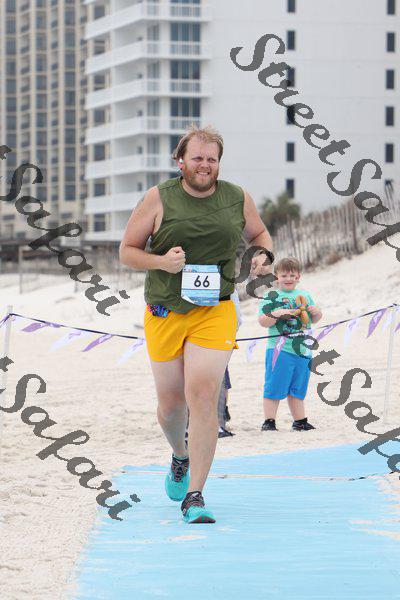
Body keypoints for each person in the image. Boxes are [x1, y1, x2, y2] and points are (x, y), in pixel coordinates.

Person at [119, 126, 273, 523]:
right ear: (180, 161)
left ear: (219, 163)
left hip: (215, 308)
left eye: (212, 159)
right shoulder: (158, 198)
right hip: (165, 311)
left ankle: (195, 495)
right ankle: (179, 455)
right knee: (172, 407)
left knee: (203, 395)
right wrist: (161, 262)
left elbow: (260, 234)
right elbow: (127, 251)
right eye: (198, 158)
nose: (205, 165)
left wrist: (262, 255)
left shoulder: (236, 197)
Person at [258, 257, 322, 432]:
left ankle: (300, 421)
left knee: (297, 388)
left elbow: (314, 319)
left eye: (292, 275)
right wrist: (277, 313)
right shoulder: (271, 297)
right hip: (279, 350)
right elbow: (262, 321)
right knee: (274, 385)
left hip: (303, 350)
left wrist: (316, 312)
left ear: (298, 277)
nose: (288, 278)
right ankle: (269, 421)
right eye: (284, 275)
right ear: (276, 277)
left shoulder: (305, 296)